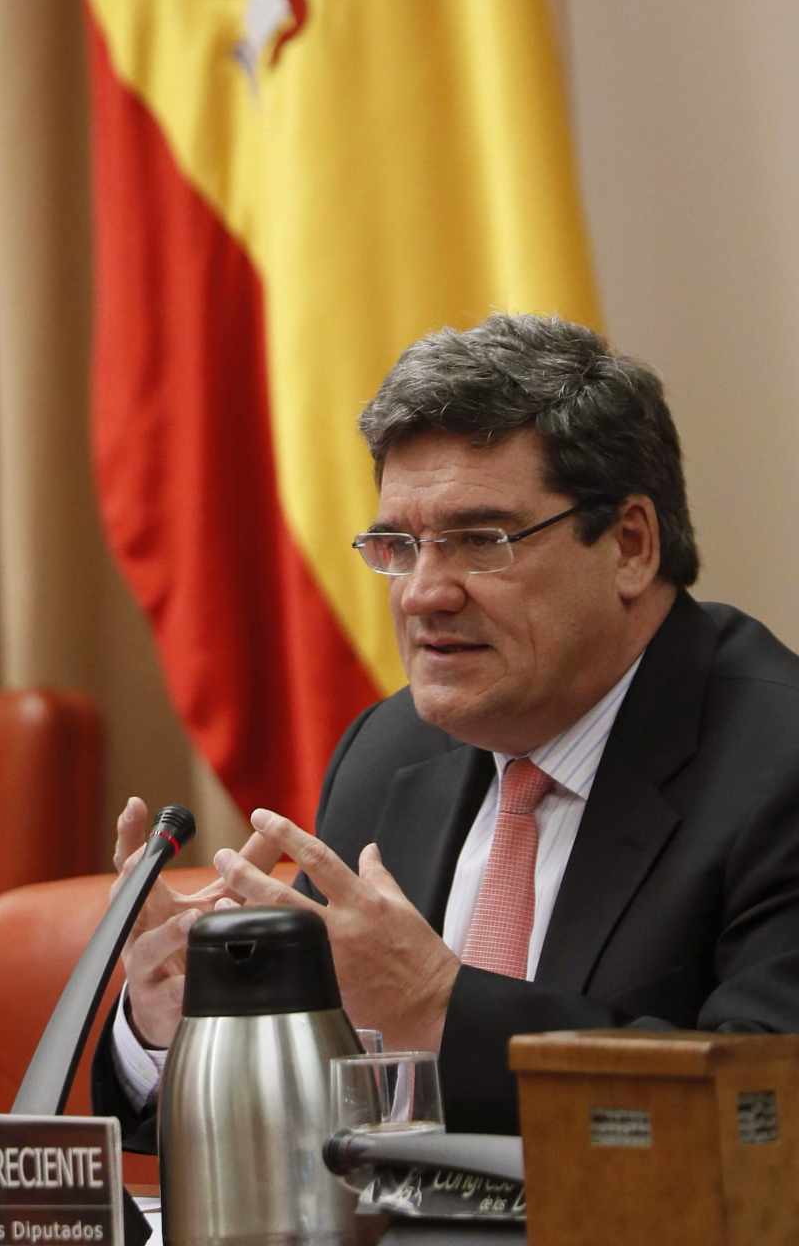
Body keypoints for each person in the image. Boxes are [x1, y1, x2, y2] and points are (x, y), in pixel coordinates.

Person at [93, 313, 799, 1145]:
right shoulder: (391, 752)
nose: (423, 593)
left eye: (479, 540)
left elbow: (768, 1123)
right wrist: (188, 1019)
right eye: (399, 544)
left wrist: (438, 1009)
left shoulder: (776, 761)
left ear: (631, 546)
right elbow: (315, 1110)